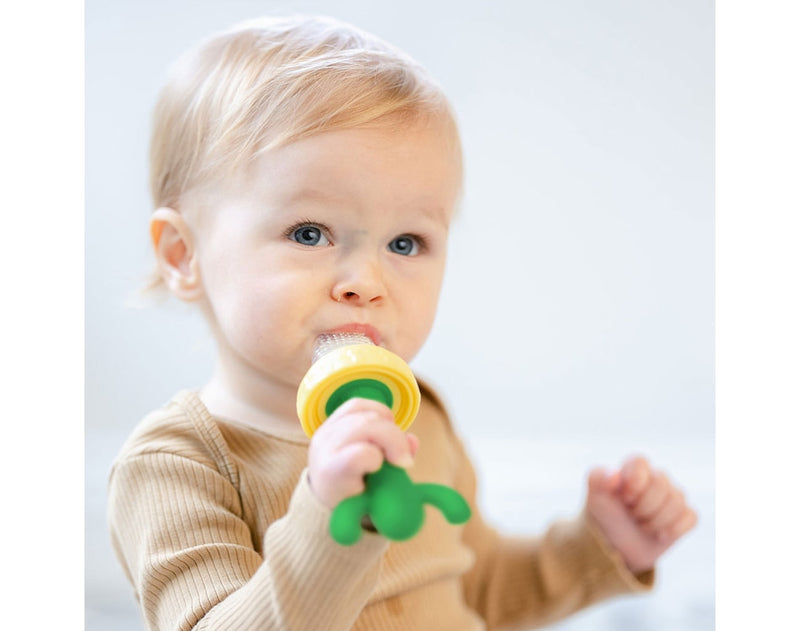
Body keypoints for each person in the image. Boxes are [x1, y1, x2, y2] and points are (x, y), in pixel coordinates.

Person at [107, 15, 697, 630]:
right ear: (184, 255)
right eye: (309, 233)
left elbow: (477, 592)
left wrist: (599, 546)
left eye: (407, 243)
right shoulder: (178, 462)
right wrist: (331, 521)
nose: (366, 282)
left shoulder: (422, 421)